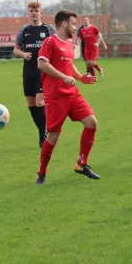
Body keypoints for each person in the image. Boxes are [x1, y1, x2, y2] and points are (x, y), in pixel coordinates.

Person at [35, 10, 99, 184]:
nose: (75, 27)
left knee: (91, 122)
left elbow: (68, 65)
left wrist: (80, 77)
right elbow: (42, 64)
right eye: (72, 23)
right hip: (55, 97)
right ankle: (41, 172)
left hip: (73, 94)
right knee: (53, 136)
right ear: (64, 24)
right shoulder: (50, 42)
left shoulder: (70, 43)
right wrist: (63, 77)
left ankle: (81, 163)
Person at [13, 1, 56, 148]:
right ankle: (42, 131)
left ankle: (43, 133)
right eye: (31, 10)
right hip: (28, 71)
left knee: (40, 102)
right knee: (31, 103)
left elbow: (57, 46)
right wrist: (23, 54)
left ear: (41, 13)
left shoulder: (49, 29)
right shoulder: (24, 30)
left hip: (43, 71)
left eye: (36, 11)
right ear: (28, 13)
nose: (33, 13)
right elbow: (16, 50)